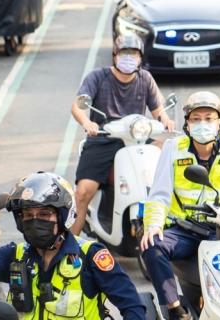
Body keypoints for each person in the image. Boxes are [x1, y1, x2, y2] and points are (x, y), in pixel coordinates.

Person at [0, 171, 146, 320]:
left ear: (62, 216)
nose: (35, 221)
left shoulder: (91, 257)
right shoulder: (16, 255)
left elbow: (132, 306)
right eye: (28, 215)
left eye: (44, 214)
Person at [141, 92, 220, 320]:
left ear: (219, 122)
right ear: (187, 122)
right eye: (196, 119)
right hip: (185, 231)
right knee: (151, 246)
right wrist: (153, 226)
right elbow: (159, 195)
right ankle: (175, 309)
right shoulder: (173, 148)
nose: (202, 124)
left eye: (208, 118)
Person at [69, 33, 173, 236]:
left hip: (137, 138)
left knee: (165, 153)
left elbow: (158, 110)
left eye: (133, 54)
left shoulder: (145, 78)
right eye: (124, 53)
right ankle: (68, 247)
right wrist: (87, 122)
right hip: (103, 138)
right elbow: (77, 106)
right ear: (114, 56)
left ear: (140, 58)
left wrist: (166, 120)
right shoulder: (98, 77)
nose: (129, 58)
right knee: (83, 193)